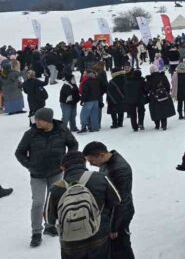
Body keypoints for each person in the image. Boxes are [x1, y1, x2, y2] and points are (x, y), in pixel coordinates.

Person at [15, 107, 79, 247]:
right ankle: (36, 232)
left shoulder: (62, 130)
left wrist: (66, 160)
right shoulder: (30, 134)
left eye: (40, 120)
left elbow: (73, 144)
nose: (36, 122)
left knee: (54, 200)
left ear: (48, 121)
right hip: (37, 174)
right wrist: (30, 165)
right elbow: (19, 153)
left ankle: (50, 225)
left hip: (56, 172)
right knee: (38, 202)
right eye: (36, 119)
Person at [44, 151, 121, 258]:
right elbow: (117, 201)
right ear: (84, 162)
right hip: (98, 238)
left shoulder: (55, 188)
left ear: (62, 167)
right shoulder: (100, 178)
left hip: (70, 244)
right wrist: (113, 226)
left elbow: (49, 219)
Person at [83, 141, 135, 259]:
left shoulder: (119, 169)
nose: (91, 165)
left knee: (122, 248)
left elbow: (121, 201)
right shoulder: (106, 163)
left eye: (92, 161)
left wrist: (113, 227)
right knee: (113, 249)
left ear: (101, 155)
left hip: (120, 216)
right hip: (110, 214)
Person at [145, 64, 176, 130]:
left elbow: (146, 89)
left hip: (153, 97)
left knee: (155, 111)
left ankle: (157, 125)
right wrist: (166, 92)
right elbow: (168, 86)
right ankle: (164, 125)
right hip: (163, 96)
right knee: (163, 110)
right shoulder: (163, 76)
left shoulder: (149, 79)